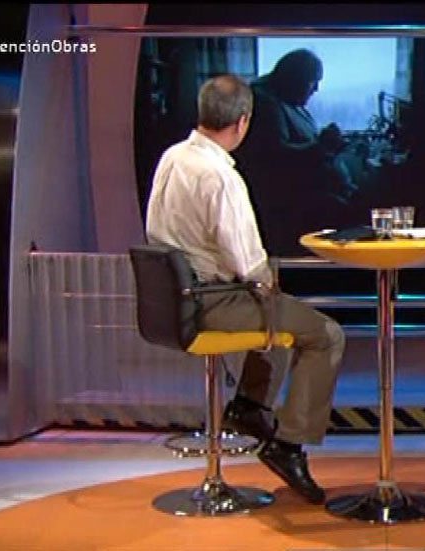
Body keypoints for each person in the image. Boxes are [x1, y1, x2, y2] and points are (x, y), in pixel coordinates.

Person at [145, 74, 346, 504]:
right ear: (242, 121)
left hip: (174, 298)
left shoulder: (172, 157)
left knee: (281, 315)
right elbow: (248, 262)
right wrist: (267, 284)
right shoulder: (220, 176)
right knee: (325, 334)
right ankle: (288, 445)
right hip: (209, 300)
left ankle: (250, 407)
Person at [233, 48, 355, 254]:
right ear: (294, 78)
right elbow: (277, 158)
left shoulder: (290, 102)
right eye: (312, 82)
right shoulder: (265, 103)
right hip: (295, 205)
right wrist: (323, 146)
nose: (316, 89)